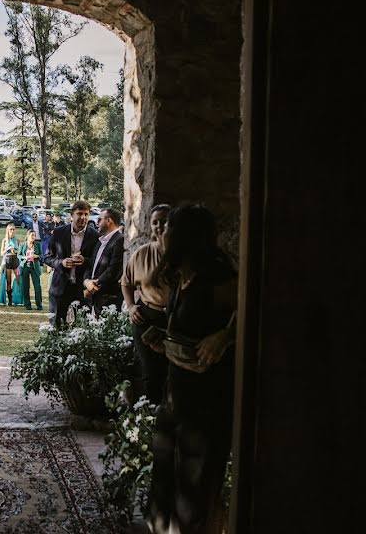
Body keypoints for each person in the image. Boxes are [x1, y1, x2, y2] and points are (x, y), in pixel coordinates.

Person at [144, 204, 237, 534]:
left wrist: (226, 336)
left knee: (194, 486)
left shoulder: (219, 277)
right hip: (177, 390)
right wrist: (165, 338)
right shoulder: (181, 274)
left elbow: (250, 312)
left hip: (206, 401)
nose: (161, 231)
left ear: (184, 236)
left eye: (168, 227)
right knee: (164, 473)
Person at [120, 204, 171, 404]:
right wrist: (131, 306)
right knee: (150, 372)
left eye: (164, 221)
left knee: (173, 373)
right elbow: (126, 283)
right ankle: (150, 422)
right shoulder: (142, 254)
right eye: (155, 222)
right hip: (147, 318)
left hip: (174, 319)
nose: (159, 226)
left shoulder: (182, 255)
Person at [43, 200, 99, 326]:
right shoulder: (59, 232)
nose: (83, 218)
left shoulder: (95, 236)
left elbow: (97, 262)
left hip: (82, 288)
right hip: (61, 286)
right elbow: (47, 257)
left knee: (83, 327)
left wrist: (85, 260)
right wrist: (61, 262)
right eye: (79, 214)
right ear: (72, 215)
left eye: (86, 214)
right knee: (56, 325)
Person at [82, 207, 126, 316]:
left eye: (99, 219)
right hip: (95, 298)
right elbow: (91, 265)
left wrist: (93, 286)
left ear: (109, 221)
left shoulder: (119, 240)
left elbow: (113, 270)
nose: (97, 223)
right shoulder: (100, 241)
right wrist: (86, 281)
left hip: (108, 298)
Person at [18, 230, 44, 310]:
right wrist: (24, 257)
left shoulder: (37, 244)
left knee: (37, 286)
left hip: (34, 267)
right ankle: (27, 305)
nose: (33, 237)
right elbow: (18, 255)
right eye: (32, 235)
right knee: (25, 286)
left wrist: (37, 256)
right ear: (28, 236)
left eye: (34, 236)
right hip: (25, 266)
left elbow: (41, 255)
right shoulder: (22, 245)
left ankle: (39, 305)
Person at [0, 223, 22, 306]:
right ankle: (10, 299)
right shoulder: (4, 240)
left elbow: (20, 252)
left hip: (15, 260)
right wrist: (7, 249)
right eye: (11, 229)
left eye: (13, 229)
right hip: (7, 260)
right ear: (7, 230)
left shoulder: (17, 240)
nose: (12, 231)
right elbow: (1, 253)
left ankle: (20, 298)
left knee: (19, 279)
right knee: (8, 280)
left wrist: (15, 251)